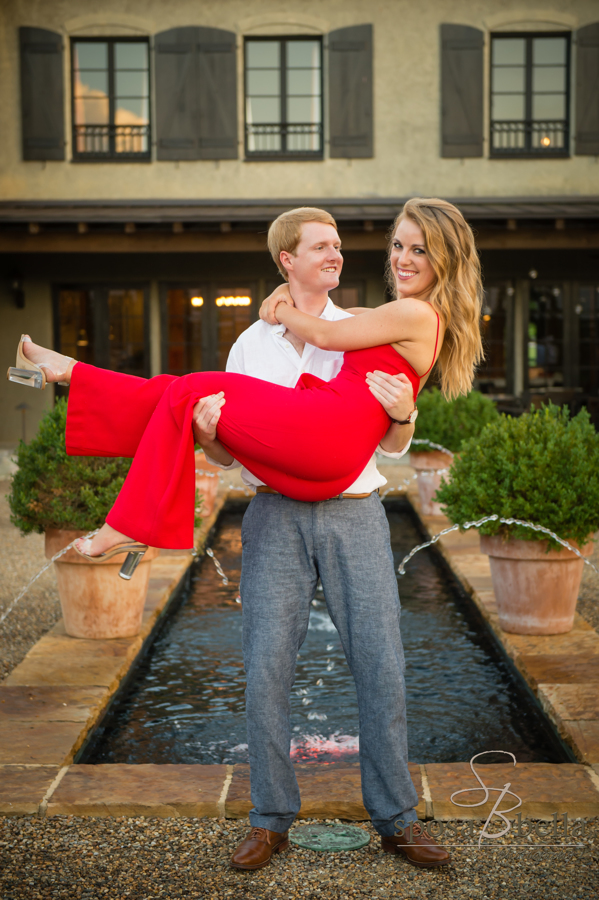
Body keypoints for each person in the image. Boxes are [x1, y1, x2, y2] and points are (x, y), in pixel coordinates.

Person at [9, 198, 483, 869]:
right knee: (264, 669)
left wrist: (403, 415)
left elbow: (392, 443)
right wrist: (206, 435)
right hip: (273, 507)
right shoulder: (250, 343)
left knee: (381, 667)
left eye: (415, 250)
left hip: (349, 503)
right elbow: (232, 453)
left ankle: (396, 816)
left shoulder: (370, 322)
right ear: (286, 259)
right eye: (395, 248)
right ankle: (269, 818)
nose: (390, 259)